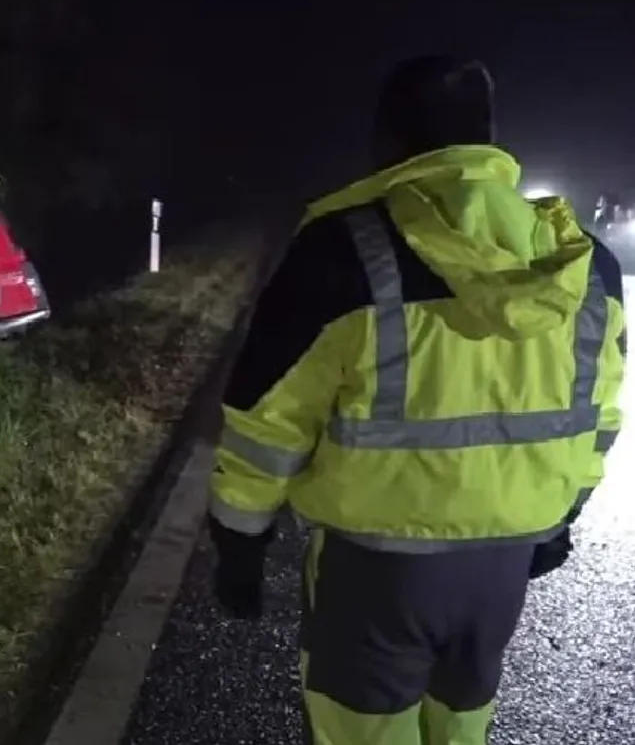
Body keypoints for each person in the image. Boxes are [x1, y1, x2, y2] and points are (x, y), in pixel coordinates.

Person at [207, 55, 627, 745]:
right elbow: (598, 415)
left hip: (374, 569)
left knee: (363, 732)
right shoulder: (584, 263)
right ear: (485, 138)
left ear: (387, 141)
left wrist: (238, 544)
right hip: (501, 568)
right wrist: (560, 517)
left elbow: (268, 419)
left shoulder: (340, 250)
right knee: (459, 727)